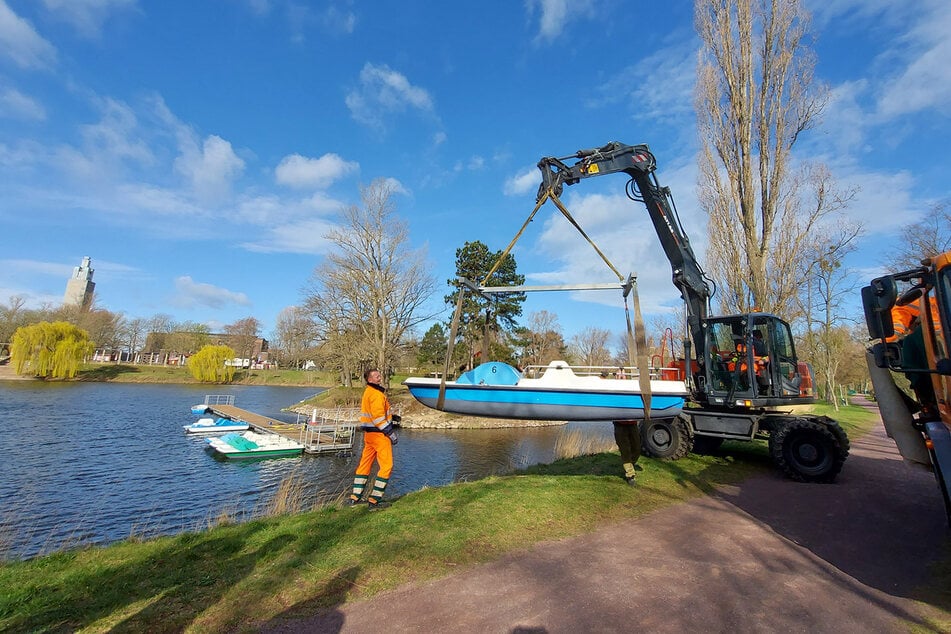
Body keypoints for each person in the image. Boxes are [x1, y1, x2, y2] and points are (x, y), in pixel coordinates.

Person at [348, 368, 400, 510]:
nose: (380, 378)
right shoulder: (377, 394)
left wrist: (391, 417)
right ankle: (374, 501)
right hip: (379, 435)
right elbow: (377, 418)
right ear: (369, 379)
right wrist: (390, 432)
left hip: (369, 435)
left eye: (379, 375)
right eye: (377, 376)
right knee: (386, 466)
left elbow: (372, 414)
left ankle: (355, 498)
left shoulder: (368, 392)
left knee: (365, 464)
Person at [612, 420, 641, 486]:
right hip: (619, 424)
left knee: (637, 448)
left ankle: (630, 465)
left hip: (633, 423)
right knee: (625, 451)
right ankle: (630, 475)